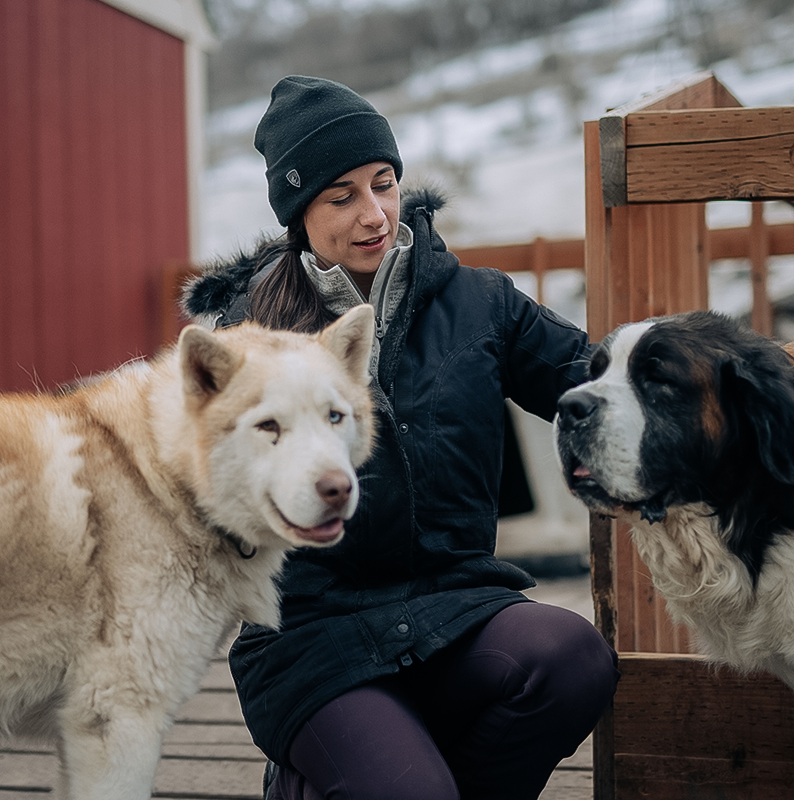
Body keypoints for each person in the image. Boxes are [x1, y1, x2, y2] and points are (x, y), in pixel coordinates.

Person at [184, 75, 619, 800]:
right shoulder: (245, 340)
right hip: (312, 640)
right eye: (341, 195)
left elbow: (595, 383)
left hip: (458, 609)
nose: (373, 214)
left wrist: (714, 385)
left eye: (383, 184)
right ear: (299, 213)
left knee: (574, 658)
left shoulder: (481, 303)